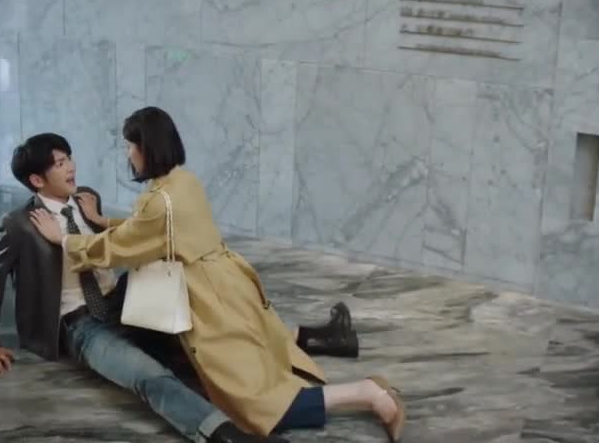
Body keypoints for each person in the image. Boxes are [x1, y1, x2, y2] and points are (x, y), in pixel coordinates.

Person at [29, 108, 407, 441]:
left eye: (130, 146)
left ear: (147, 148)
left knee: (256, 403)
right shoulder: (183, 182)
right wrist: (104, 221)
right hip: (228, 283)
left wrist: (65, 240)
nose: (128, 154)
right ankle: (332, 344)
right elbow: (155, 232)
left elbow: (122, 247)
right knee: (257, 365)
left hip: (207, 301)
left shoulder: (158, 202)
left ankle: (368, 393)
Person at [0, 133, 287, 443]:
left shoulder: (86, 200)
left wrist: (99, 219)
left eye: (69, 158)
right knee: (147, 374)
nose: (71, 167)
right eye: (60, 163)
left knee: (204, 342)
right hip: (81, 324)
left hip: (123, 304)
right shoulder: (20, 224)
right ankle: (227, 436)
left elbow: (125, 240)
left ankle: (288, 374)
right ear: (37, 180)